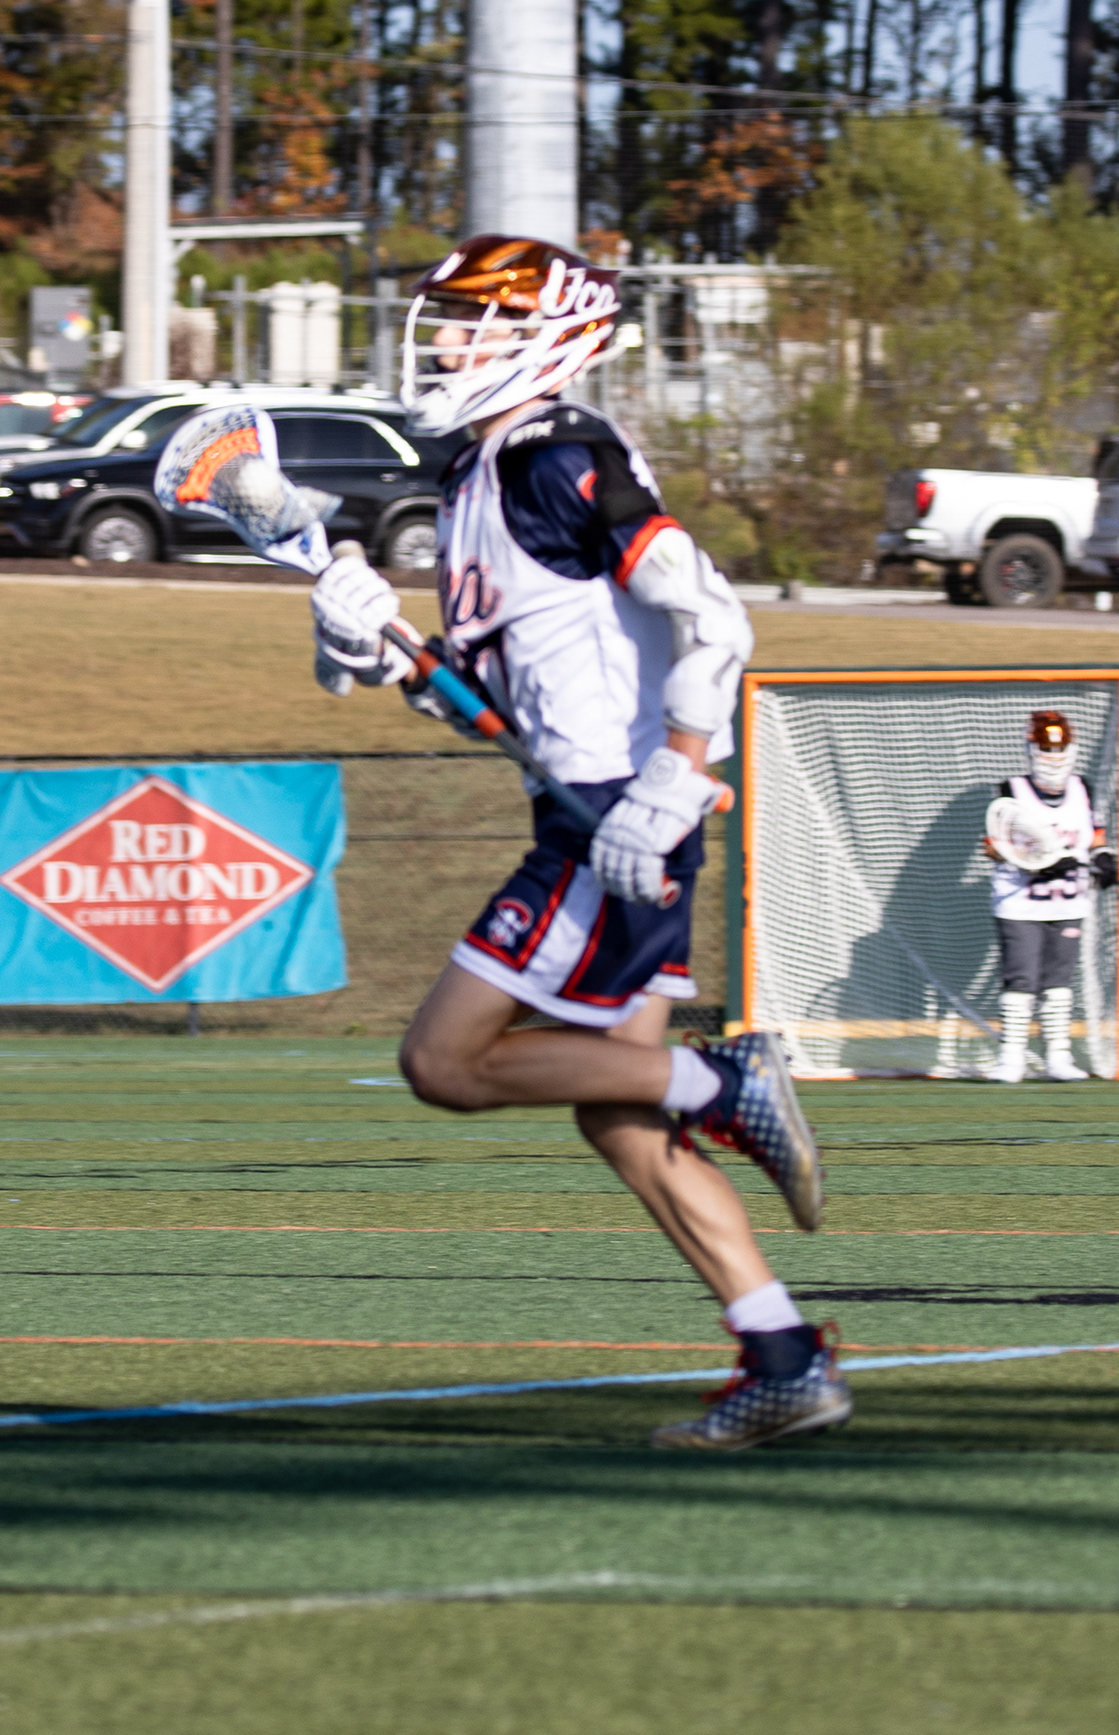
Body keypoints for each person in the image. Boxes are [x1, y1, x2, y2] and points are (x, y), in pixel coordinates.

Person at [314, 231, 841, 1452]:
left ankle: (725, 1082)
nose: (446, 343)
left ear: (545, 338)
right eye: (447, 319)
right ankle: (783, 1356)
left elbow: (713, 619)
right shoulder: (477, 471)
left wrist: (678, 771)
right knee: (616, 1112)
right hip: (590, 802)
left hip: (617, 815)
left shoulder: (559, 457)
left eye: (474, 322)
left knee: (444, 1061)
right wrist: (380, 649)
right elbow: (505, 700)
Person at [981, 708, 1105, 1082]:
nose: (1053, 757)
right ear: (1032, 749)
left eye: (1059, 748)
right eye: (1046, 749)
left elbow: (1095, 838)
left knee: (1058, 983)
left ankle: (1058, 1057)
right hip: (1021, 902)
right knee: (1021, 980)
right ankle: (1011, 1059)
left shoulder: (1082, 789)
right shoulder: (1012, 791)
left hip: (1068, 901)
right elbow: (993, 846)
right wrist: (1036, 860)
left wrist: (1104, 858)